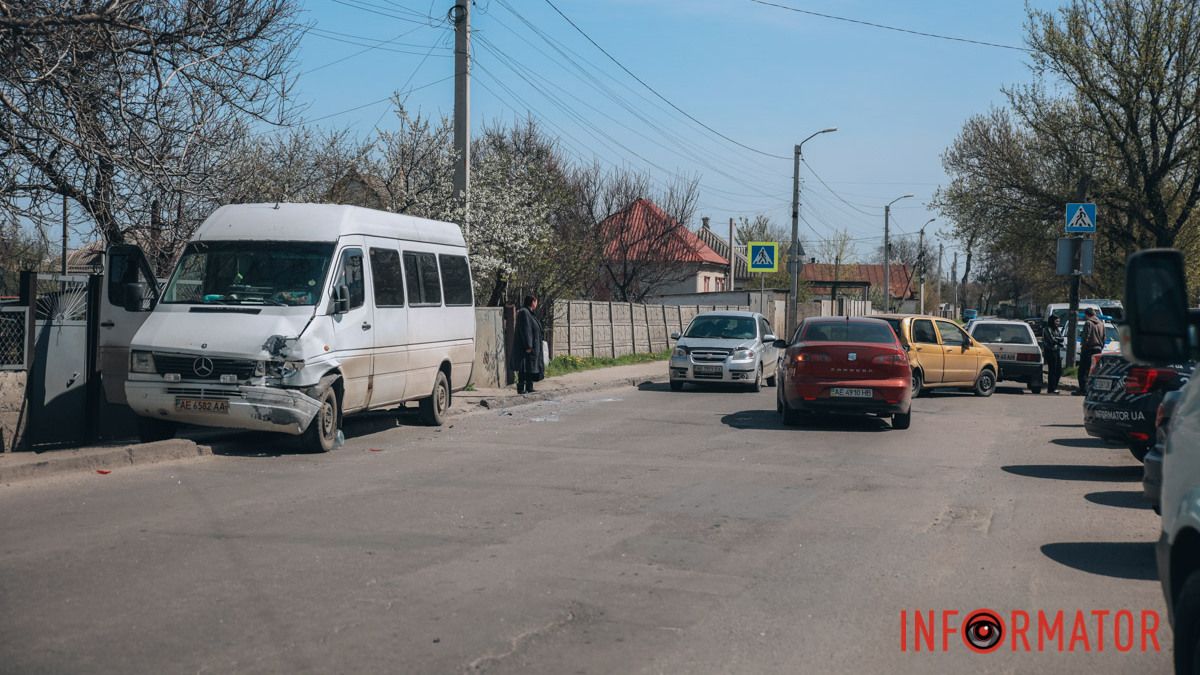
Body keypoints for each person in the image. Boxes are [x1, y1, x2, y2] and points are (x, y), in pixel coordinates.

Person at [511, 295, 544, 394]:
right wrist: (528, 345)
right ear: (533, 302)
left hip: (532, 347)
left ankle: (530, 387)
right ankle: (521, 388)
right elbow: (526, 330)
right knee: (524, 368)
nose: (537, 304)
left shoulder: (530, 313)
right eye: (536, 302)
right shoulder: (524, 313)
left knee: (530, 367)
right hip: (526, 348)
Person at [1076, 307, 1105, 395]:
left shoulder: (1088, 323)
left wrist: (1083, 347)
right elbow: (1104, 338)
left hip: (1088, 349)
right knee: (1094, 370)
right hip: (1098, 349)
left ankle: (1083, 390)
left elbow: (1086, 337)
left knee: (1083, 370)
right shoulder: (1101, 323)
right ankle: (1093, 389)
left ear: (1086, 314)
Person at [1042, 314, 1064, 394]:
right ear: (1052, 321)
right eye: (1056, 321)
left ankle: (1055, 387)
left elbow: (1061, 338)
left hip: (1057, 351)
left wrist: (1057, 340)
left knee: (1059, 370)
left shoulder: (1057, 330)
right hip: (1050, 351)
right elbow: (1051, 340)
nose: (1058, 323)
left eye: (1059, 321)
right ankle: (1051, 388)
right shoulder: (1047, 329)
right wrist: (1058, 340)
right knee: (1052, 370)